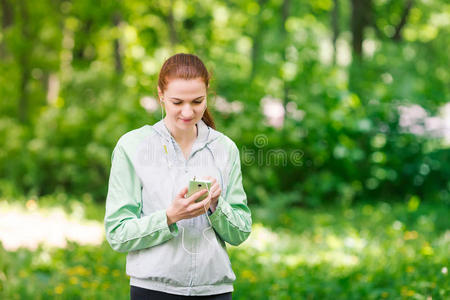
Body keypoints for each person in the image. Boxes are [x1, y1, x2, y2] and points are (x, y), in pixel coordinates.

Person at [104, 53, 252, 299]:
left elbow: (241, 231)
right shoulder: (132, 146)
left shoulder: (225, 149)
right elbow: (118, 234)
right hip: (153, 290)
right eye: (177, 102)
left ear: (207, 96)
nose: (187, 111)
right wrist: (170, 217)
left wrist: (216, 205)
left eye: (197, 101)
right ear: (161, 95)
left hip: (214, 291)